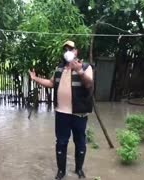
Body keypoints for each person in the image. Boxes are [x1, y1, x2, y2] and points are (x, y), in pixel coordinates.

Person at [29, 40, 94, 179]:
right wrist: (35, 79)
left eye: (71, 49)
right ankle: (61, 171)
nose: (68, 51)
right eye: (65, 49)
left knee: (80, 142)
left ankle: (79, 170)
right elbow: (51, 83)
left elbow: (89, 84)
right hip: (62, 113)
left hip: (79, 113)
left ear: (77, 51)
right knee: (61, 142)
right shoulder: (59, 68)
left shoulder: (86, 66)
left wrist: (79, 71)